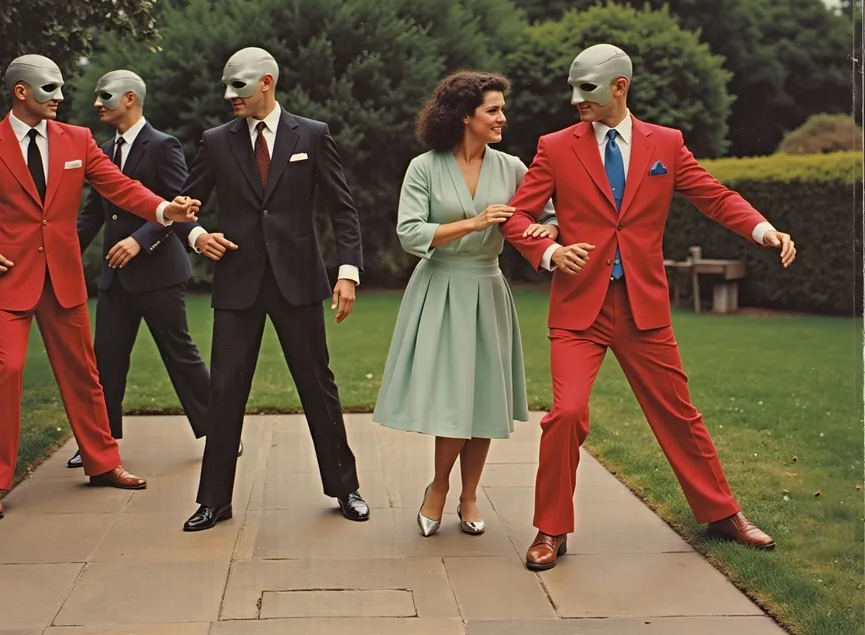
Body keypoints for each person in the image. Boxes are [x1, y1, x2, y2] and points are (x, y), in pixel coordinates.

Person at [501, 44, 796, 570]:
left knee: (679, 415)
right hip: (579, 310)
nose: (576, 101)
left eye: (586, 89)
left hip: (643, 307)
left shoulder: (667, 143)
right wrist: (549, 250)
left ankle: (723, 515)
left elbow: (714, 195)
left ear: (620, 86)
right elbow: (518, 217)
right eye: (572, 89)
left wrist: (762, 228)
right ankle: (551, 529)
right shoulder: (555, 147)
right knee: (565, 414)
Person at [0, 54, 200, 520]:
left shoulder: (78, 140)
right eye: (50, 88)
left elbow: (121, 188)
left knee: (84, 372)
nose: (61, 97)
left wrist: (166, 211)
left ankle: (103, 463)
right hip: (6, 279)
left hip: (63, 280)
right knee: (8, 370)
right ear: (22, 91)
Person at [179, 47, 369, 532]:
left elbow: (342, 210)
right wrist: (198, 237)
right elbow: (185, 207)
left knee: (317, 386)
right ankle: (213, 500)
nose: (228, 97)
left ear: (266, 82)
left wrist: (347, 271)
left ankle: (346, 487)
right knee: (224, 391)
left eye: (237, 87)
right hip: (238, 284)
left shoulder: (312, 134)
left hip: (299, 282)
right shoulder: (215, 142)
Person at [372, 72, 558, 536]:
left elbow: (549, 217)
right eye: (493, 110)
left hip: (488, 288)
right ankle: (438, 487)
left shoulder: (513, 167)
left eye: (501, 109)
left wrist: (544, 233)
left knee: (482, 399)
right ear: (464, 117)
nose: (502, 118)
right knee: (455, 398)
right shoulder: (424, 167)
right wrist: (474, 223)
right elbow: (410, 233)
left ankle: (469, 494)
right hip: (439, 289)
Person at [66, 69, 224, 468]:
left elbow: (177, 202)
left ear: (131, 99)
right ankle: (98, 444)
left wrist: (139, 239)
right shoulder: (99, 150)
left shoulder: (163, 146)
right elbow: (90, 216)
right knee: (106, 361)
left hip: (159, 274)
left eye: (106, 96)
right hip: (114, 278)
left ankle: (221, 435)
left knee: (180, 355)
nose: (97, 104)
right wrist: (56, 254)